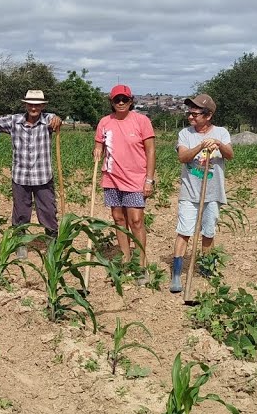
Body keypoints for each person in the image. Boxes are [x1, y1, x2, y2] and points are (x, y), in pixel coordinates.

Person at [0, 90, 62, 259]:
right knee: (21, 212)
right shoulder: (14, 121)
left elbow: (57, 120)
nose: (34, 108)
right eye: (30, 104)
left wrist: (58, 120)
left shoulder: (48, 120)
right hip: (21, 176)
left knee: (48, 210)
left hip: (43, 176)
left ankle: (52, 242)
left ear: (42, 106)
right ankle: (20, 242)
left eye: (37, 105)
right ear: (26, 105)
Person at [171, 93, 234, 292]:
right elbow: (183, 157)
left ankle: (207, 269)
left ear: (208, 116)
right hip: (190, 192)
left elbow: (230, 155)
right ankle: (176, 274)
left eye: (195, 114)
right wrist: (200, 146)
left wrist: (219, 144)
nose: (190, 116)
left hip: (213, 193)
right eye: (189, 113)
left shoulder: (221, 133)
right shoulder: (185, 134)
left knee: (208, 232)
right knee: (184, 231)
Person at [92, 84, 156, 266]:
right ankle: (125, 260)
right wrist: (97, 150)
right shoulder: (105, 122)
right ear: (111, 102)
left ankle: (141, 264)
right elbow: (99, 145)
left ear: (131, 101)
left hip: (136, 179)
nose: (120, 103)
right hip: (112, 178)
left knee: (136, 221)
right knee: (119, 219)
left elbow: (151, 151)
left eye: (124, 99)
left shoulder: (142, 121)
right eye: (117, 100)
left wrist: (149, 180)